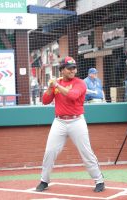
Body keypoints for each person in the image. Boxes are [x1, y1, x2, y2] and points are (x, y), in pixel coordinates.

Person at [35, 56, 105, 192]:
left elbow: (72, 95)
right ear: (62, 70)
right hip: (59, 121)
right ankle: (44, 180)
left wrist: (57, 85)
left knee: (86, 152)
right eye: (69, 68)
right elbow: (45, 101)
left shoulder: (79, 83)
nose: (73, 70)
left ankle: (99, 180)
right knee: (50, 151)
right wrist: (50, 88)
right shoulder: (57, 83)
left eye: (74, 68)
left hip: (76, 121)